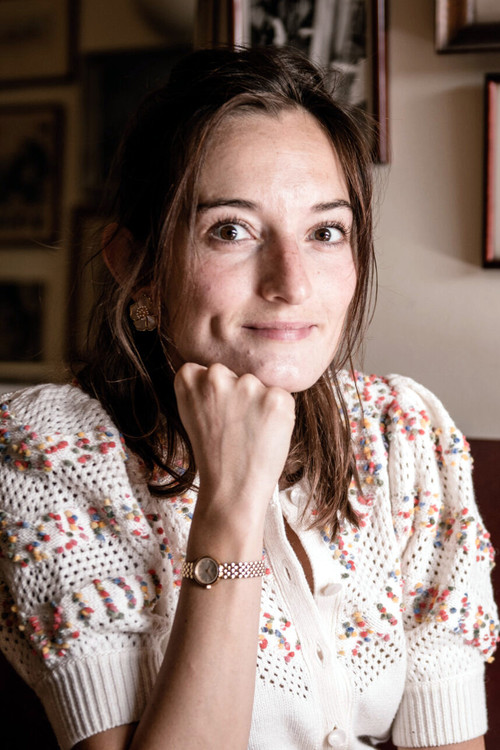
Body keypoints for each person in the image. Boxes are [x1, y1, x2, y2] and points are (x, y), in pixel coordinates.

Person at [0, 46, 497, 750]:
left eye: (325, 232)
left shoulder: (402, 432)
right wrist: (230, 503)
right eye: (231, 230)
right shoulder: (48, 451)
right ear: (137, 266)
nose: (291, 283)